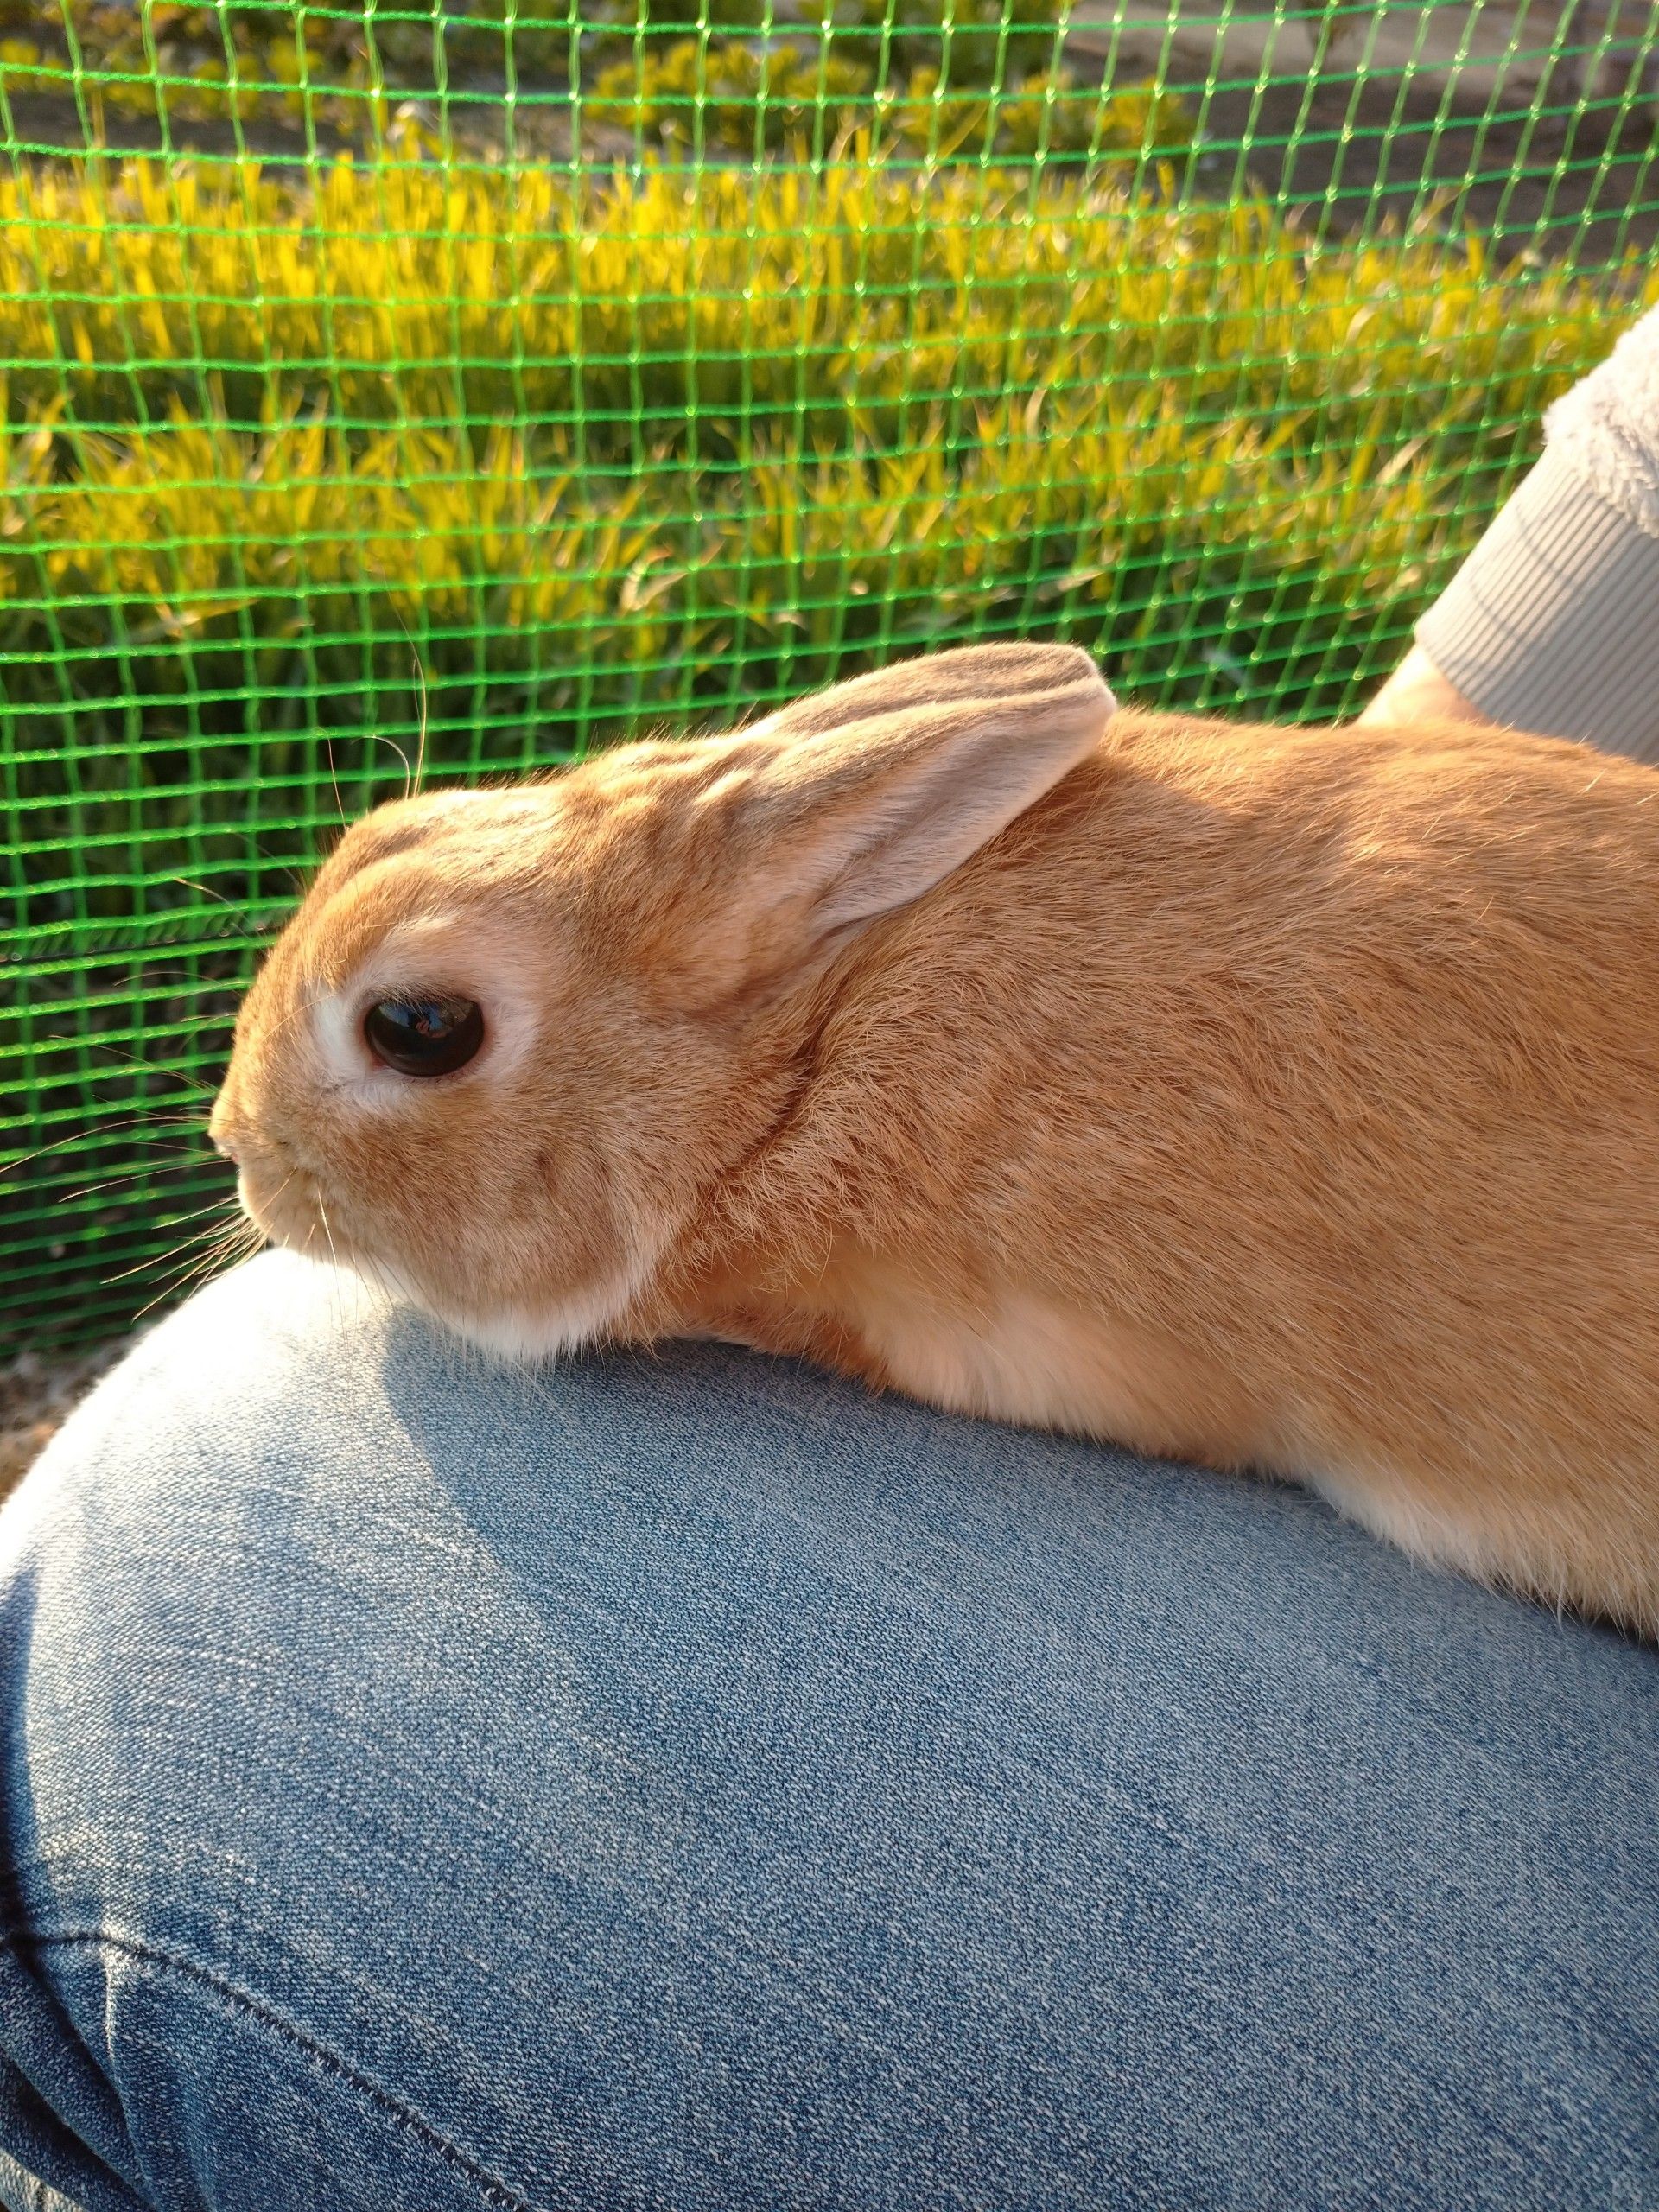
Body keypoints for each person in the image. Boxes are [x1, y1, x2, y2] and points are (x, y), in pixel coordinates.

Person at [3, 307, 1657, 2212]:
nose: (239, 1142)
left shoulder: (1019, 1119)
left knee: (154, 1640)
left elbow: (1169, 1352)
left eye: (426, 1034)